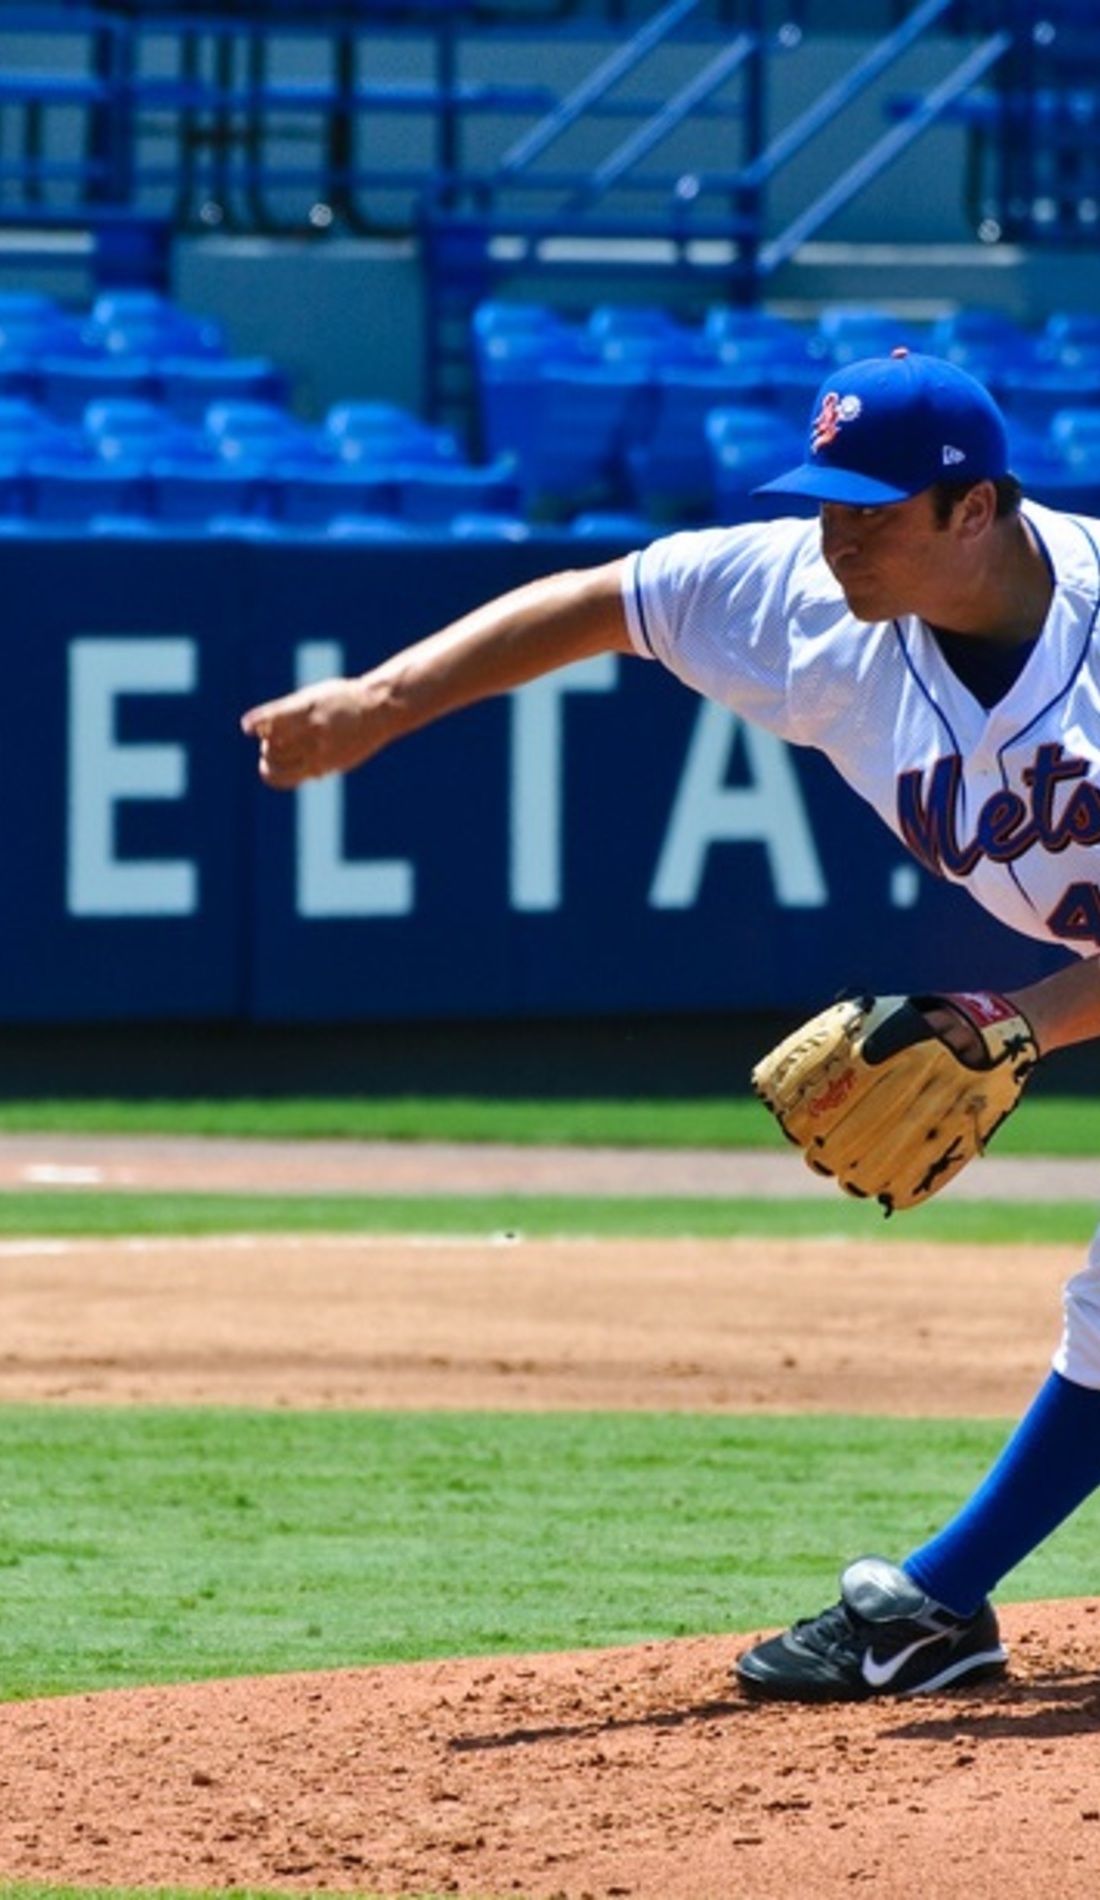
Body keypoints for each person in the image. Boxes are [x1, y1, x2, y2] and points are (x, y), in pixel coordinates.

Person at [242, 345, 1100, 1704]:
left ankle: (934, 1604)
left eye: (873, 509)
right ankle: (941, 1604)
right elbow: (609, 601)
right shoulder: (805, 599)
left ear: (975, 510)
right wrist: (379, 706)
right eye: (826, 501)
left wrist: (1025, 1024)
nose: (836, 538)